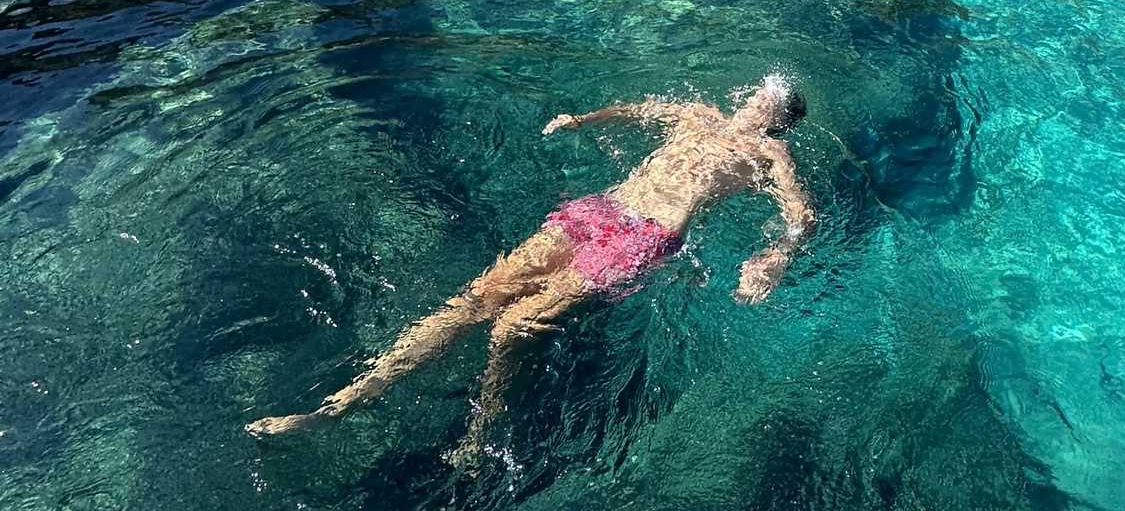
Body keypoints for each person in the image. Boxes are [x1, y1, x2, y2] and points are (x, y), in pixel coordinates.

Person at [246, 75, 814, 463]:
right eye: (760, 91)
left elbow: (801, 214)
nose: (758, 101)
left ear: (778, 119)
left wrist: (774, 257)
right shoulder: (695, 114)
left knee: (512, 328)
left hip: (645, 237)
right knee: (474, 301)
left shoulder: (770, 155)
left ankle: (480, 432)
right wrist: (583, 120)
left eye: (771, 100)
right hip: (600, 210)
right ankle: (337, 407)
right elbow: (637, 111)